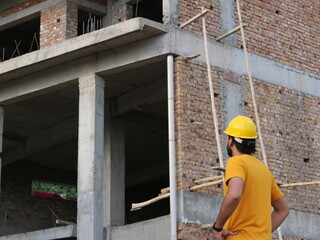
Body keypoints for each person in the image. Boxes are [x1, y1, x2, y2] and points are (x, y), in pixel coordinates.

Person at [212, 116, 289, 240]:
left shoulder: (236, 162)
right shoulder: (264, 170)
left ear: (230, 141)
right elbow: (283, 209)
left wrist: (218, 227)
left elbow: (234, 195)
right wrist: (260, 234)